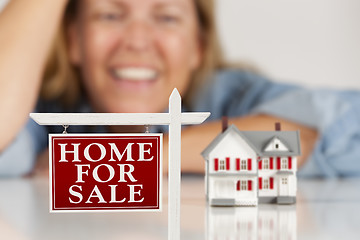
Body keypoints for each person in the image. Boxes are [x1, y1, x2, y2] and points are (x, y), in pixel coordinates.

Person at [0, 0, 359, 178]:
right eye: (109, 15)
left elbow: (318, 135)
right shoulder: (40, 112)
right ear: (72, 40)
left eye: (166, 17)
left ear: (198, 48)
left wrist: (103, 161)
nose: (137, 41)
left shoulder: (229, 97)